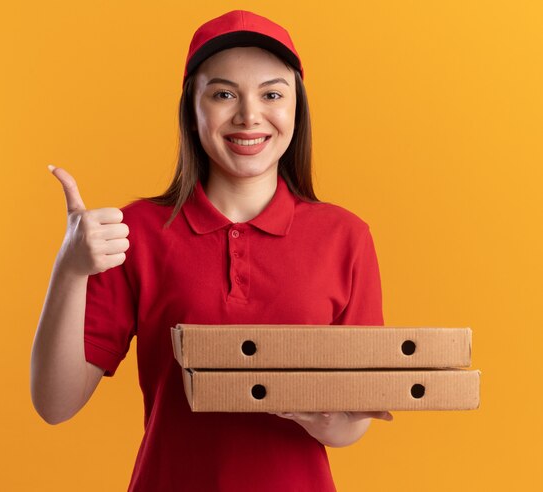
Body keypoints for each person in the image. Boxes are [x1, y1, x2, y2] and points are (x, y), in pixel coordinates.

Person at [30, 9, 393, 492]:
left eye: (272, 94)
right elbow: (55, 404)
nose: (249, 115)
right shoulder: (134, 231)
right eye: (223, 94)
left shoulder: (345, 237)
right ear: (192, 109)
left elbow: (354, 423)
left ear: (296, 108)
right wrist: (69, 268)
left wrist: (319, 416)